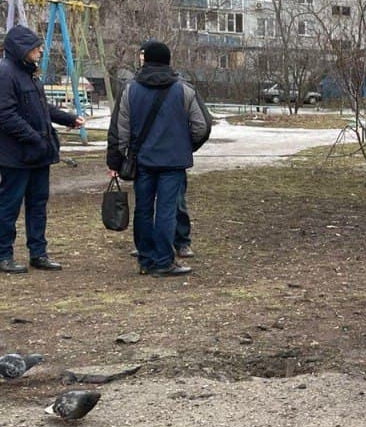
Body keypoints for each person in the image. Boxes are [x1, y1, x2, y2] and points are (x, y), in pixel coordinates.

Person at [107, 42, 211, 277]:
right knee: (166, 210)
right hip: (173, 162)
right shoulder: (184, 90)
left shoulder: (130, 89)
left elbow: (119, 130)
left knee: (143, 210)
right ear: (167, 60)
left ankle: (146, 260)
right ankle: (164, 261)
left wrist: (115, 161)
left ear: (146, 60)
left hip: (142, 161)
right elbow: (201, 126)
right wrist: (186, 147)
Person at [0, 26, 86, 273]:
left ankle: (38, 253)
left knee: (38, 204)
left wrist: (68, 119)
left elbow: (41, 107)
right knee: (9, 205)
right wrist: (35, 137)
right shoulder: (6, 73)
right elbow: (6, 115)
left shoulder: (29, 74)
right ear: (22, 50)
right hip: (16, 155)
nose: (41, 50)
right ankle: (3, 254)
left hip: (37, 154)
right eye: (36, 47)